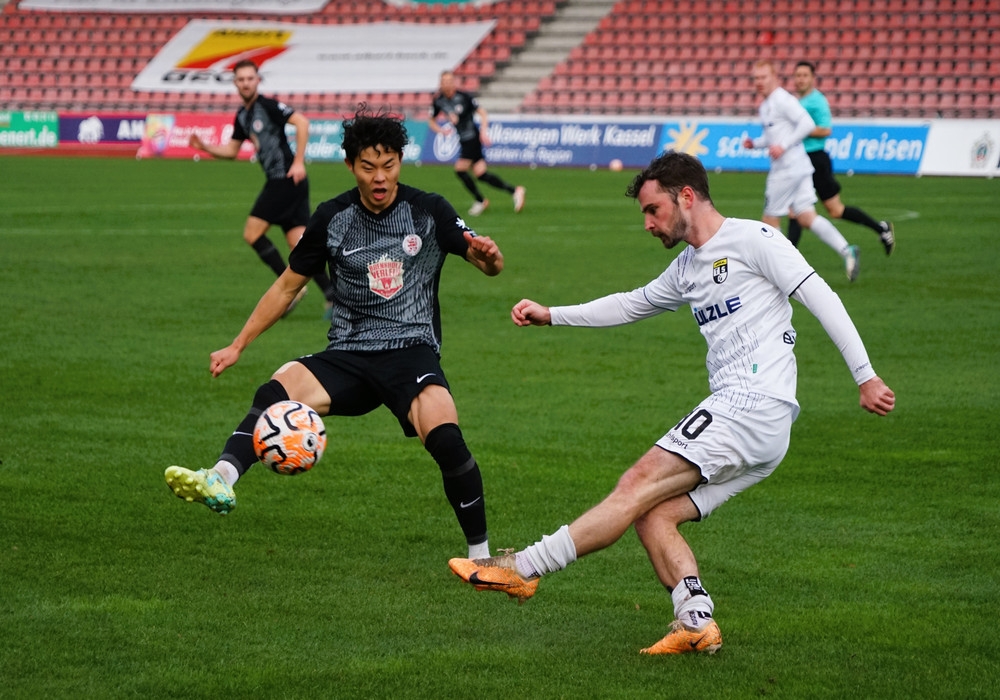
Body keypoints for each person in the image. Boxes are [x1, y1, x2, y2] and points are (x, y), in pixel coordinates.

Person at [448, 151, 895, 655]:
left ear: (686, 196)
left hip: (752, 404)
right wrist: (553, 314)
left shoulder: (754, 239)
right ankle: (696, 621)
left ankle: (523, 568)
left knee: (636, 485)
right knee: (654, 514)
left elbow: (820, 296)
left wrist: (865, 377)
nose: (647, 223)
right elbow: (632, 303)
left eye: (652, 209)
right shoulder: (687, 267)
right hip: (763, 427)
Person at [166, 107, 506, 561]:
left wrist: (489, 256)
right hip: (347, 354)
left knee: (446, 437)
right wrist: (237, 344)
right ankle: (221, 477)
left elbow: (487, 264)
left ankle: (483, 559)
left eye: (389, 165)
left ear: (400, 162)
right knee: (278, 386)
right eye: (369, 167)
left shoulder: (429, 211)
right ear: (351, 166)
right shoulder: (332, 217)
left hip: (411, 352)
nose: (380, 177)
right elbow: (287, 286)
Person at [188, 59, 335, 317]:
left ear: (258, 80)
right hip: (290, 183)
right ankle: (334, 296)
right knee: (300, 246)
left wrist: (299, 161)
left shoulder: (267, 106)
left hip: (285, 178)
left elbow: (302, 122)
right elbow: (232, 151)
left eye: (250, 78)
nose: (245, 83)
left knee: (252, 233)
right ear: (235, 83)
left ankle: (292, 289)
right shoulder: (243, 116)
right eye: (241, 79)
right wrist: (205, 147)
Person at [742, 60, 861, 282]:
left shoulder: (783, 100)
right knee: (807, 216)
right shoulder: (766, 105)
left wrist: (784, 145)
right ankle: (847, 250)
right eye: (755, 78)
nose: (758, 82)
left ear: (775, 77)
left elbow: (806, 124)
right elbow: (772, 137)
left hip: (787, 169)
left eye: (763, 77)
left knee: (770, 221)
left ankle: (777, 273)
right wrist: (755, 144)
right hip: (800, 167)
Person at [787, 61, 895, 255]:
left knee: (832, 210)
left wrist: (800, 131)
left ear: (812, 78)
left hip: (815, 160)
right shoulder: (797, 102)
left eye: (804, 75)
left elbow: (825, 129)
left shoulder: (817, 101)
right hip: (800, 160)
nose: (800, 79)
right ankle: (787, 257)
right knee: (796, 209)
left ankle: (881, 229)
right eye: (797, 75)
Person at [428, 70, 526, 217]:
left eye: (449, 81)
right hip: (463, 139)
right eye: (444, 81)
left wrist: (484, 131)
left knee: (460, 170)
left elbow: (482, 113)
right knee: (481, 174)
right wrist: (441, 131)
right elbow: (431, 120)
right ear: (440, 84)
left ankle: (481, 200)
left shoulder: (464, 97)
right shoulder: (439, 101)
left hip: (472, 138)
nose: (447, 84)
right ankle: (515, 191)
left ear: (454, 82)